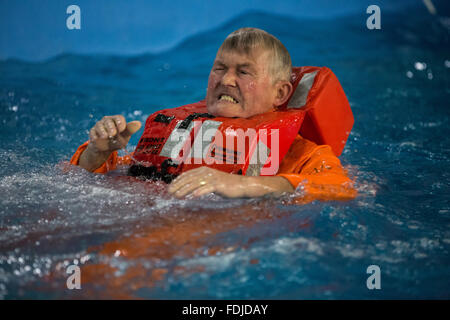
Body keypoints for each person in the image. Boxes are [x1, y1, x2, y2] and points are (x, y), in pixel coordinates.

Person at [70, 28, 356, 200]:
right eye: (220, 68)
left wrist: (241, 184)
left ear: (280, 94)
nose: (226, 80)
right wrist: (97, 153)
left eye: (243, 72)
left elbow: (339, 188)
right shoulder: (184, 132)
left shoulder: (300, 154)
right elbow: (82, 180)